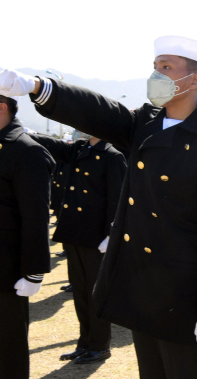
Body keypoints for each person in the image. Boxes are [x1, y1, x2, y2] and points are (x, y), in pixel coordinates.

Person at [0, 35, 197, 379]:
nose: (156, 76)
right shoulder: (145, 124)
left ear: (194, 80)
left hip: (186, 293)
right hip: (143, 286)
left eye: (166, 67)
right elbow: (100, 111)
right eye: (155, 67)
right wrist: (40, 86)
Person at [30, 130, 126, 363]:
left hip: (96, 238)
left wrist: (111, 234)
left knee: (95, 293)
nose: (80, 127)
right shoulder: (81, 149)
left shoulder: (113, 156)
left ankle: (100, 345)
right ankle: (84, 342)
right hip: (75, 233)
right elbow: (53, 144)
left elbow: (118, 199)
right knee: (80, 292)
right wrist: (23, 132)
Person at [0, 93, 54, 379]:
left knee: (7, 349)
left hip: (6, 270)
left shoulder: (26, 150)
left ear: (1, 107)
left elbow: (36, 217)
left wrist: (34, 272)